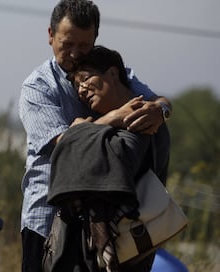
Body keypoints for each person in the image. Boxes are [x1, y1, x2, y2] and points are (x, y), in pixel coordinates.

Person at [18, 1, 172, 271]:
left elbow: (156, 101)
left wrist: (161, 111)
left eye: (84, 46)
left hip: (97, 220)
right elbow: (65, 145)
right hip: (47, 215)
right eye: (67, 44)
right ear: (50, 35)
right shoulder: (38, 87)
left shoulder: (107, 70)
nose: (75, 54)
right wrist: (113, 118)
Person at [46, 45, 170, 271]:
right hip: (106, 247)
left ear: (113, 74)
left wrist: (79, 132)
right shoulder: (111, 122)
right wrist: (109, 120)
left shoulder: (144, 116)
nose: (81, 89)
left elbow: (118, 158)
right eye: (76, 86)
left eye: (85, 78)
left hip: (129, 242)